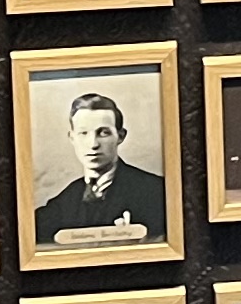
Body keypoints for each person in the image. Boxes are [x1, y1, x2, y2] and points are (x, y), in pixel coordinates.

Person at [33, 89, 164, 248]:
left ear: (120, 136)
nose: (93, 144)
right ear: (72, 138)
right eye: (83, 133)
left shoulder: (157, 192)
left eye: (103, 133)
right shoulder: (65, 201)